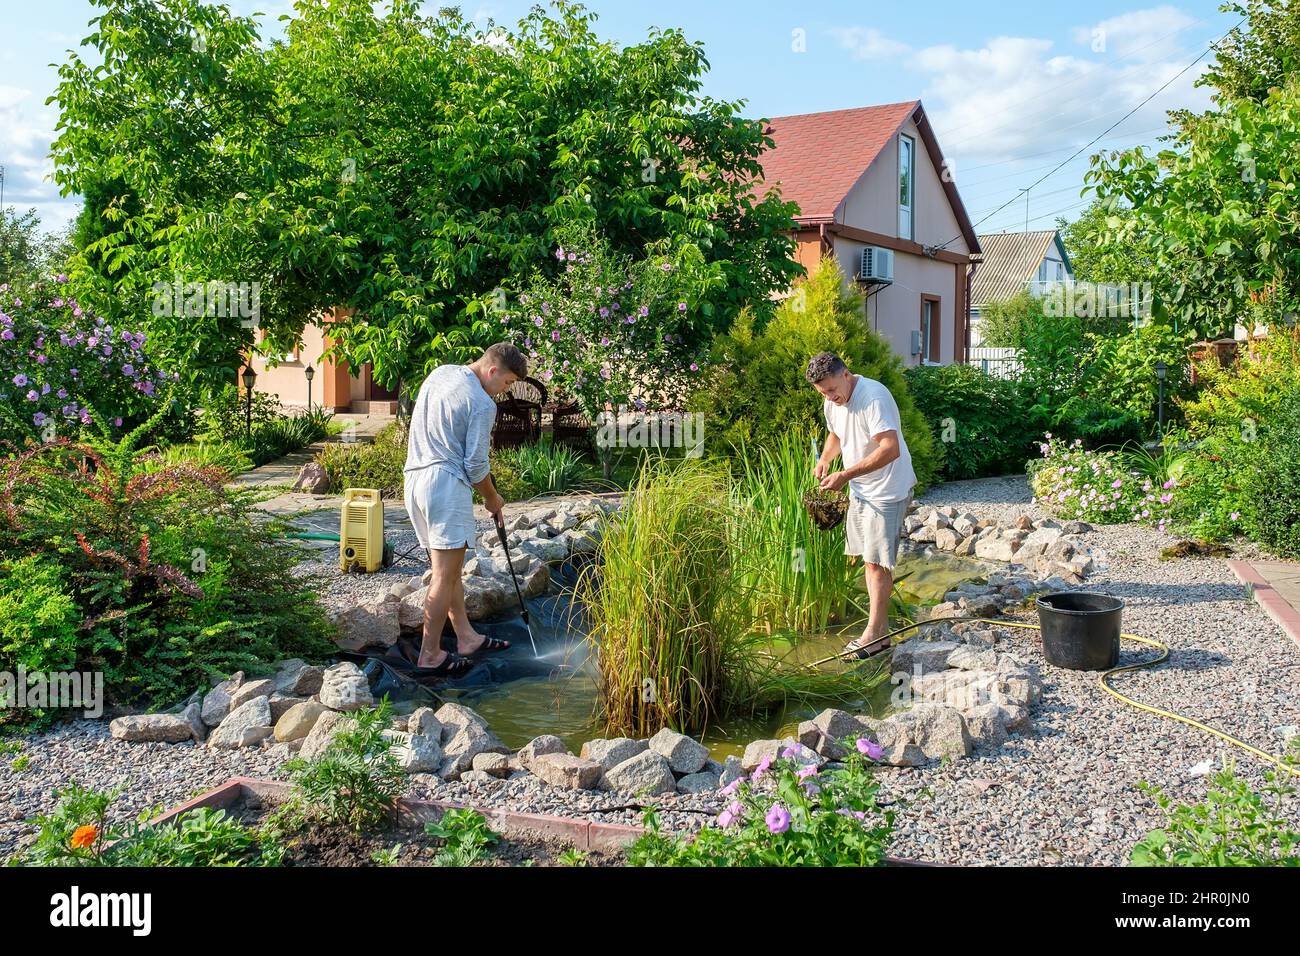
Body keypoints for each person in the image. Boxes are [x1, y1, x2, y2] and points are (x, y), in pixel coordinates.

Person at [403, 342, 526, 674]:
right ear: (492, 370)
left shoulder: (441, 373)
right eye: (508, 383)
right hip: (444, 484)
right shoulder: (482, 404)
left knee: (450, 569)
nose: (505, 391)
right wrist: (492, 498)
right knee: (444, 575)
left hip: (414, 482)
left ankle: (466, 636)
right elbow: (474, 465)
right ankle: (430, 654)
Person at [807, 351, 916, 658]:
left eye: (831, 389)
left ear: (846, 373)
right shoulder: (832, 401)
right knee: (867, 560)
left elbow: (890, 449)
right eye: (823, 393)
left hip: (888, 489)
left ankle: (875, 635)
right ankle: (878, 633)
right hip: (862, 489)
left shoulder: (874, 397)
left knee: (877, 561)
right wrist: (827, 460)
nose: (829, 397)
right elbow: (835, 434)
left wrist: (846, 474)